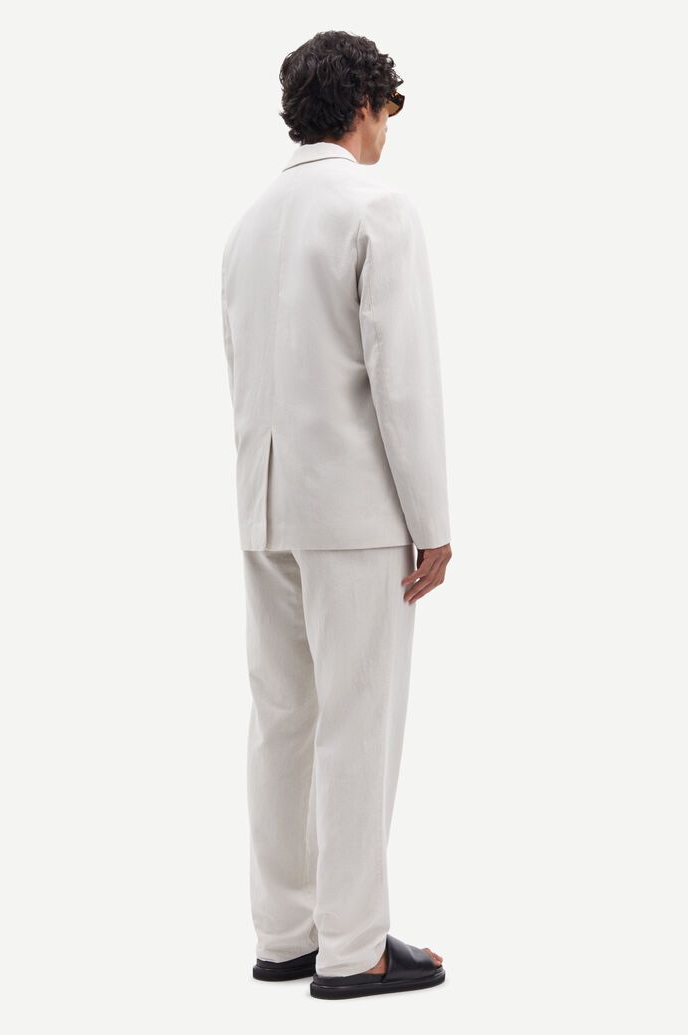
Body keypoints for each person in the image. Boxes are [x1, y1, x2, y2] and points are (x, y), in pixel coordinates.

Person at [221, 30, 452, 999]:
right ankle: (354, 945)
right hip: (355, 514)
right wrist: (432, 520)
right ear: (362, 105)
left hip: (265, 506)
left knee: (282, 719)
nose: (387, 131)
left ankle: (286, 931)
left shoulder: (249, 224)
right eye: (386, 111)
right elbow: (403, 379)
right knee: (357, 723)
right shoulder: (374, 207)